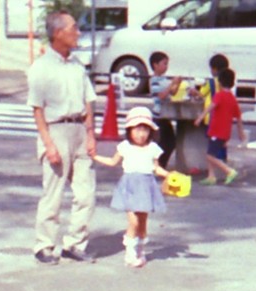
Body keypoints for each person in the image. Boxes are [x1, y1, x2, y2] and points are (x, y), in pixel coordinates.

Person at [27, 9, 97, 265]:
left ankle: (75, 244)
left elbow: (89, 101)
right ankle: (44, 246)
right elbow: (38, 109)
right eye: (73, 29)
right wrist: (48, 144)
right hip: (56, 131)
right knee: (53, 194)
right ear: (58, 33)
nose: (78, 33)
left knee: (86, 193)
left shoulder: (78, 65)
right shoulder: (41, 68)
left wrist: (91, 134)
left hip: (79, 130)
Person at [94, 106, 168, 268]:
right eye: (137, 129)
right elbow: (113, 162)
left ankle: (140, 250)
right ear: (129, 130)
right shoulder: (125, 147)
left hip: (147, 186)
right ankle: (129, 253)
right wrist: (95, 156)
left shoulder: (153, 148)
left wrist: (170, 175)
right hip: (130, 186)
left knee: (142, 222)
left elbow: (156, 168)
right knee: (133, 221)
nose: (141, 134)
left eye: (145, 130)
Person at [194, 67, 246, 185]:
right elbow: (238, 117)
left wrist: (200, 118)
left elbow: (210, 107)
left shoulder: (219, 95)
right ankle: (211, 176)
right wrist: (240, 132)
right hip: (225, 132)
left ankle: (229, 171)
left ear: (220, 82)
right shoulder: (232, 98)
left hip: (216, 130)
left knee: (210, 156)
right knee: (211, 152)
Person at [149, 52, 185, 170]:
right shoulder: (154, 80)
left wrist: (177, 84)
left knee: (170, 142)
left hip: (165, 115)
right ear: (155, 65)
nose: (166, 66)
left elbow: (172, 93)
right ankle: (158, 165)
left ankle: (160, 165)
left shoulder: (163, 79)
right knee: (164, 142)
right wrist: (172, 84)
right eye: (164, 64)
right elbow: (161, 96)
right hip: (159, 115)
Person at [191, 52, 229, 128]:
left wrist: (194, 92)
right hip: (224, 117)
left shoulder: (211, 82)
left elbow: (201, 95)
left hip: (211, 117)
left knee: (211, 138)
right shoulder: (227, 82)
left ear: (214, 69)